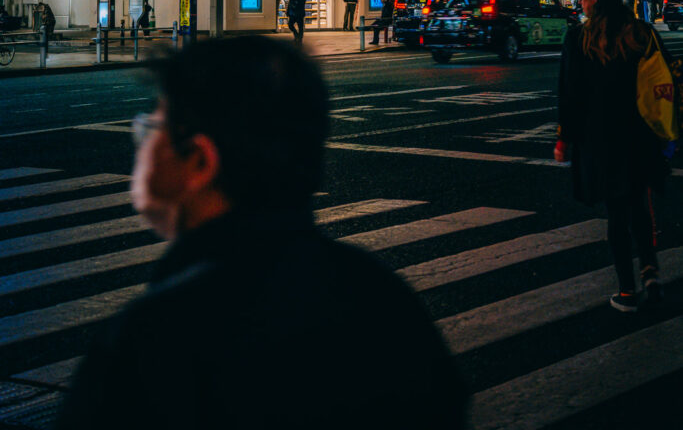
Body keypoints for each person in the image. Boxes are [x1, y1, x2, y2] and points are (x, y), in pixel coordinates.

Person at [55, 37, 465, 430]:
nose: (142, 148)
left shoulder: (156, 339)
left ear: (200, 161)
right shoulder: (385, 299)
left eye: (151, 130)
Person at [554, 0, 669, 313]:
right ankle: (649, 269)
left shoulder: (579, 39)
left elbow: (569, 93)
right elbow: (665, 75)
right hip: (641, 132)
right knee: (638, 200)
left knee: (617, 213)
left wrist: (564, 138)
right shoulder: (641, 33)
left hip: (600, 139)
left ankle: (628, 291)